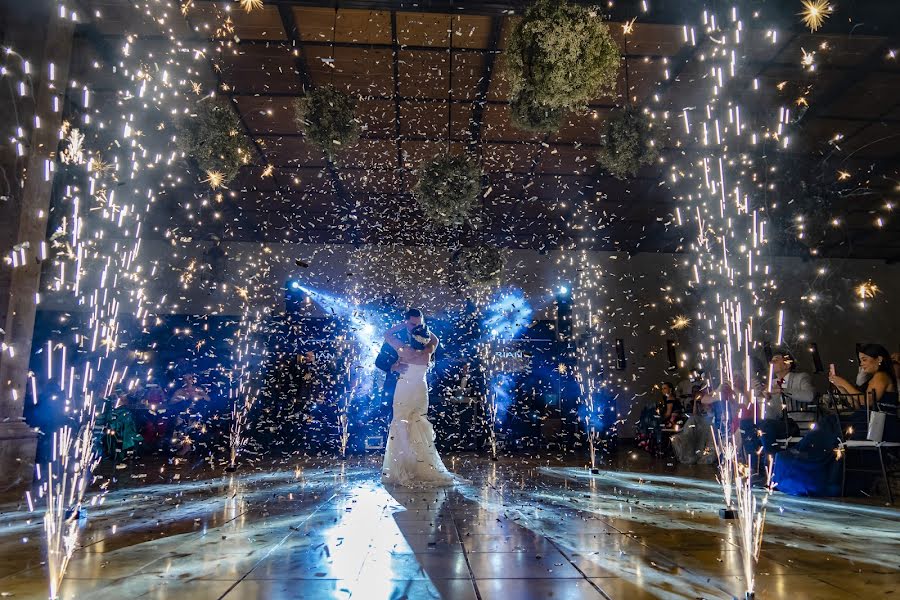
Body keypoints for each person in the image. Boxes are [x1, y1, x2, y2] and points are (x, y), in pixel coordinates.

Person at [381, 312, 457, 487]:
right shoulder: (428, 351)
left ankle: (403, 467)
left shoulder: (403, 350)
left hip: (405, 389)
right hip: (420, 390)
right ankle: (421, 467)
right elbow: (435, 340)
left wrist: (403, 325)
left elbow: (387, 335)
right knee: (418, 422)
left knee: (401, 423)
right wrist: (423, 328)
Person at [829, 343, 899, 442]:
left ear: (879, 359)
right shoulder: (876, 377)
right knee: (831, 424)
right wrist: (840, 386)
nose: (861, 364)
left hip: (881, 426)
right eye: (861, 360)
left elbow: (868, 401)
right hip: (872, 424)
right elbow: (858, 406)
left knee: (830, 423)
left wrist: (844, 383)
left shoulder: (881, 376)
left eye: (864, 359)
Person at [670, 383, 716, 465]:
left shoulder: (712, 400)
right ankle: (687, 440)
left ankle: (699, 452)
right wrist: (695, 401)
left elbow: (711, 415)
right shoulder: (699, 402)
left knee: (694, 422)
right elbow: (694, 414)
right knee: (692, 420)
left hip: (710, 424)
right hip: (700, 423)